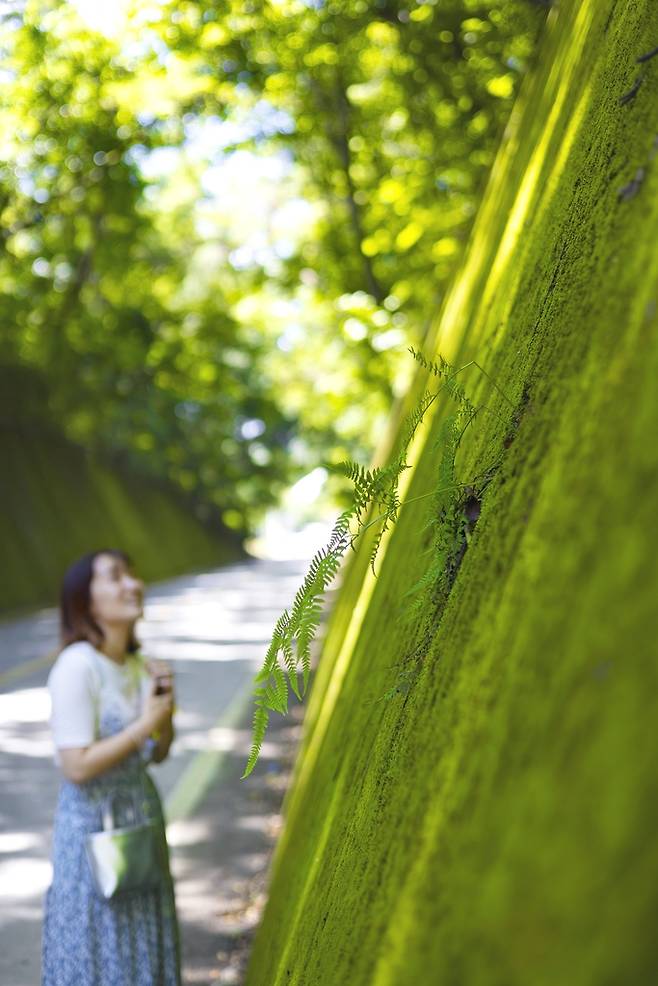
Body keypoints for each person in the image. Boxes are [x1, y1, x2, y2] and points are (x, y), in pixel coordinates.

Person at [41, 548, 181, 986]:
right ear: (86, 601)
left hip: (141, 823)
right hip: (92, 836)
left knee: (144, 941)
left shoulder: (141, 665)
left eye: (133, 576)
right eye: (116, 577)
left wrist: (164, 716)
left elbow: (157, 753)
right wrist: (145, 725)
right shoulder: (77, 666)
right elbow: (77, 766)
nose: (132, 585)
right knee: (97, 951)